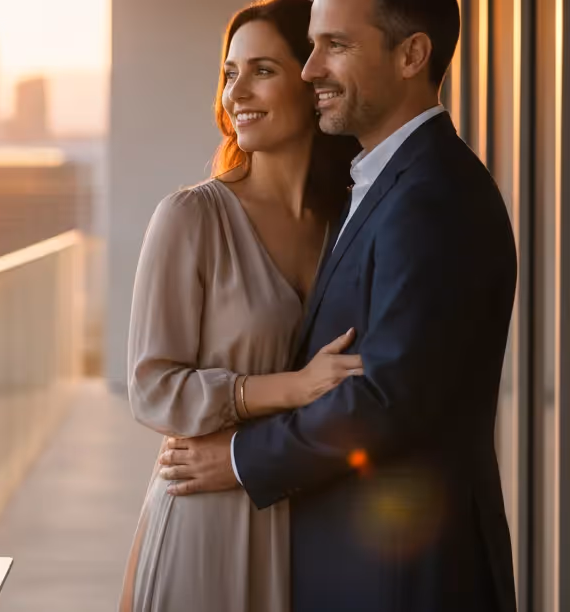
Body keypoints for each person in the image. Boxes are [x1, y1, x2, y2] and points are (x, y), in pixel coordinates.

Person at [156, 0, 518, 610]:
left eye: (336, 46)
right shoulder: (379, 184)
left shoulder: (433, 195)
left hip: (403, 575)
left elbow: (389, 398)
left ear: (412, 55)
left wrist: (241, 459)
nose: (309, 69)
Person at [119, 1, 362, 610]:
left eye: (261, 71)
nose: (236, 93)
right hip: (208, 516)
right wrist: (290, 388)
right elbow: (152, 387)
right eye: (229, 74)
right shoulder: (191, 218)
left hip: (314, 521)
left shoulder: (349, 223)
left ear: (310, 82)